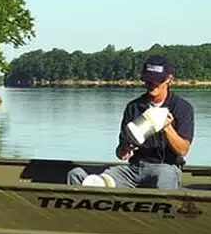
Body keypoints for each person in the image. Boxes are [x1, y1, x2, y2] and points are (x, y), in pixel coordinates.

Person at [67, 55, 194, 189]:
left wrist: (167, 127)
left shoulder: (182, 108)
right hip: (134, 169)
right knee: (76, 175)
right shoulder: (133, 107)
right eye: (148, 80)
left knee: (164, 177)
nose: (152, 85)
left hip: (166, 167)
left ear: (169, 79)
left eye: (157, 81)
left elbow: (183, 150)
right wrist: (124, 149)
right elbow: (120, 153)